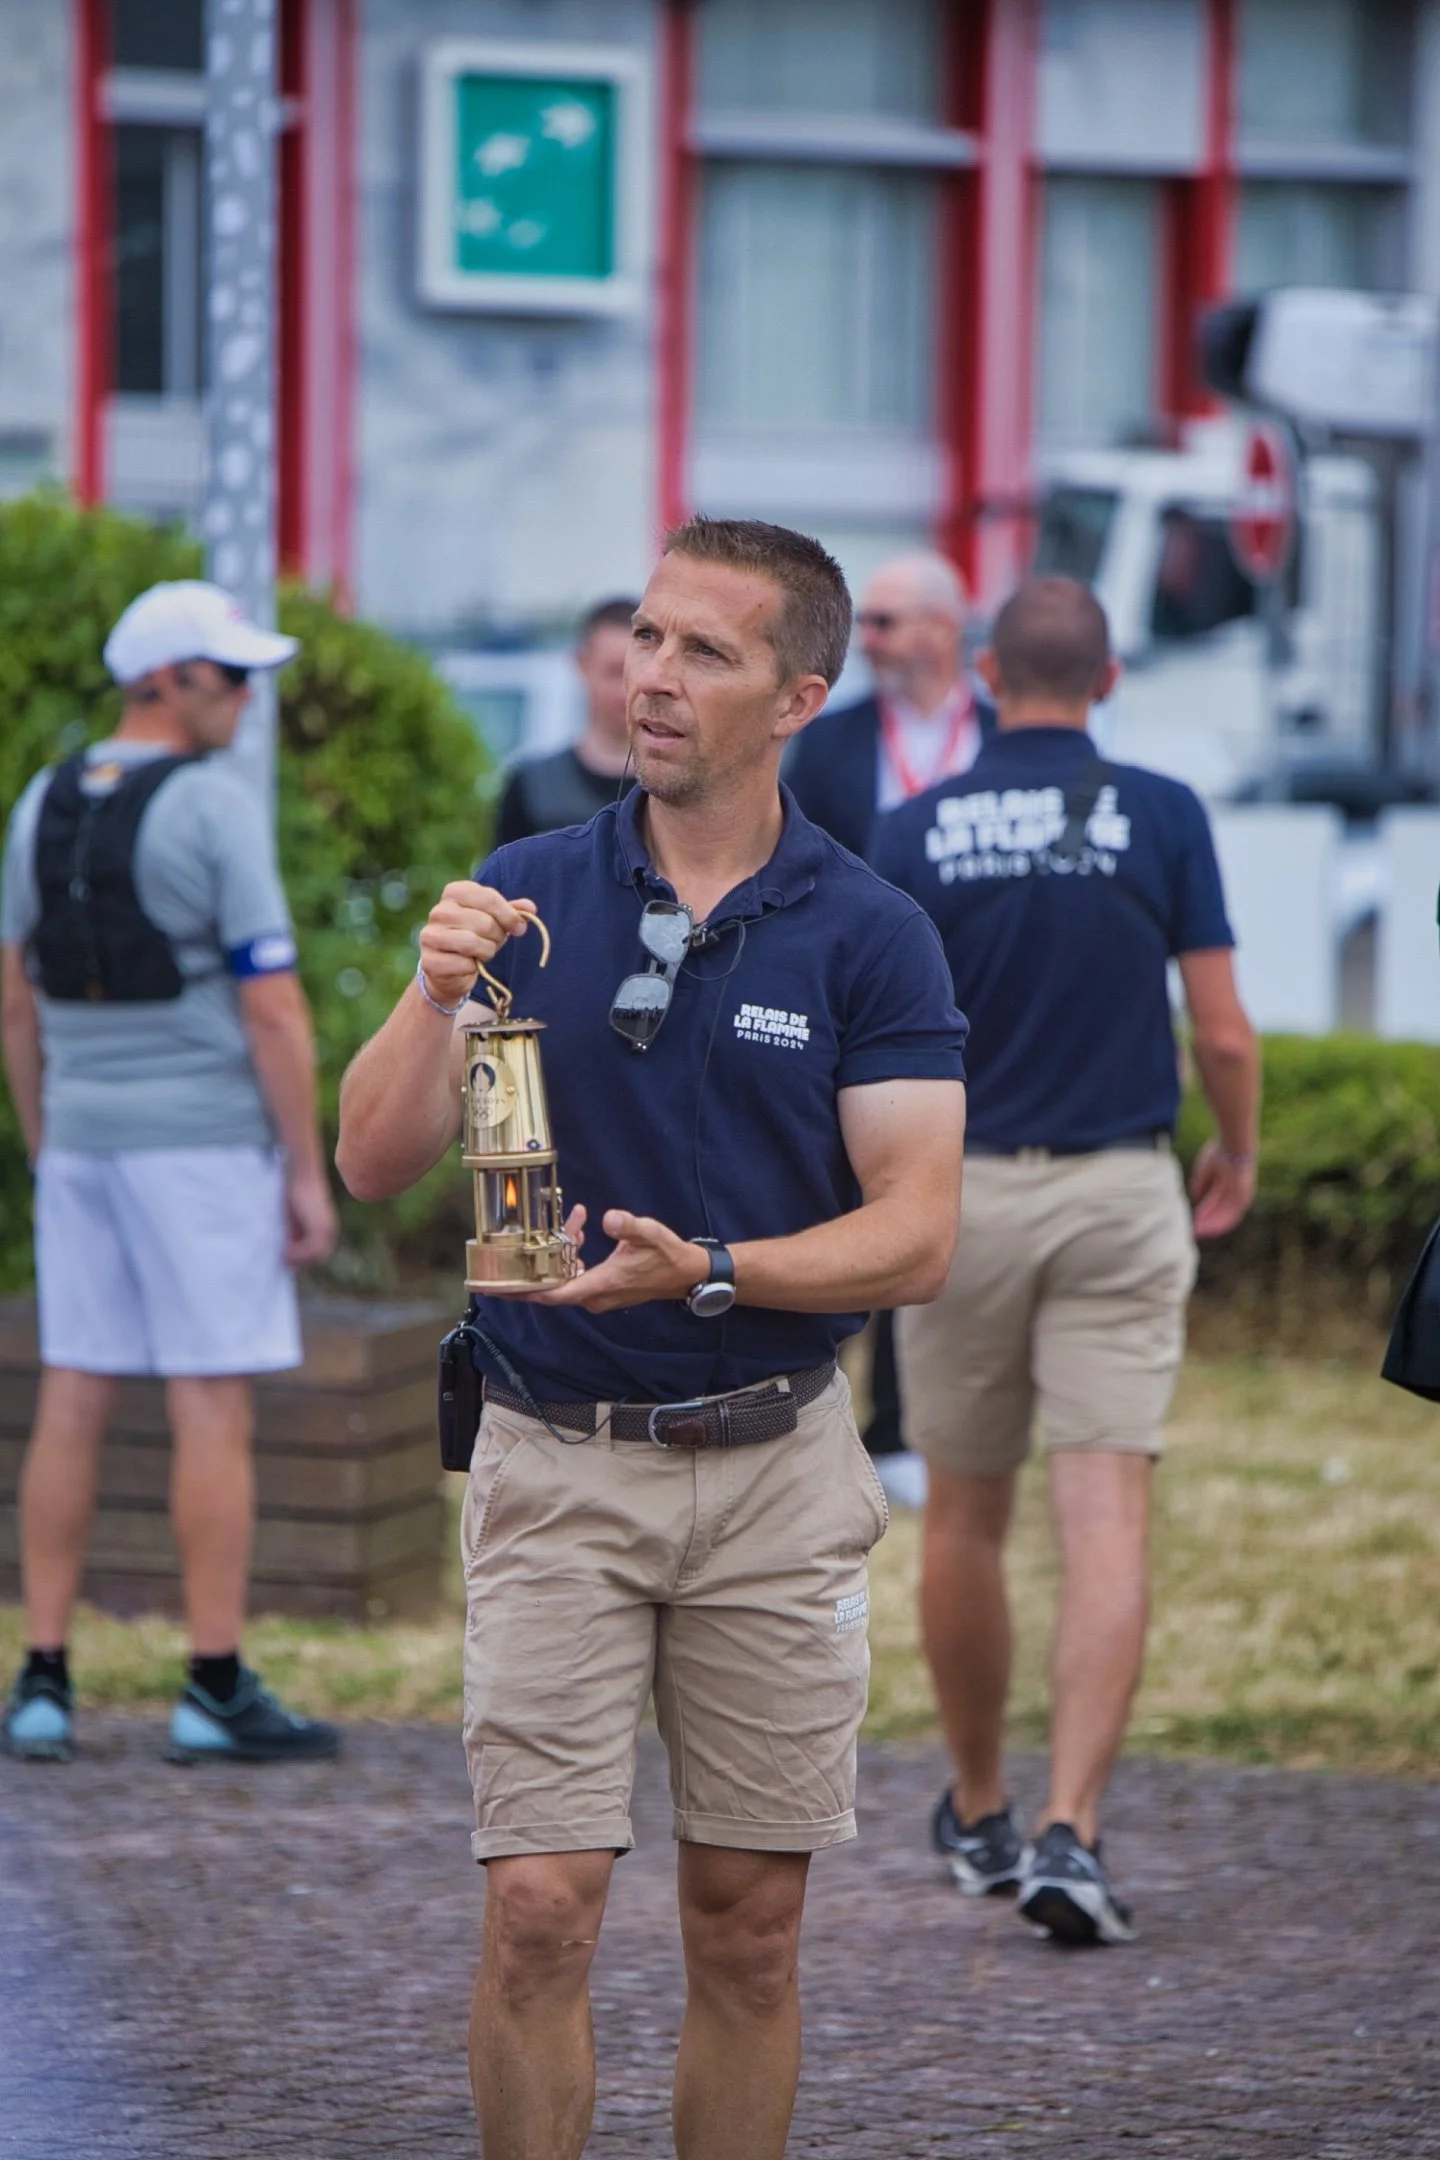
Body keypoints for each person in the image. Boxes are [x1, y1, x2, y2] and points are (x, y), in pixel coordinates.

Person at [336, 516, 967, 2160]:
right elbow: (374, 1160)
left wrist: (719, 1271)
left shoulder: (871, 930)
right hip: (554, 1455)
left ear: (800, 696)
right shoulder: (525, 896)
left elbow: (918, 1225)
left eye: (707, 650)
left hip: (775, 1466)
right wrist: (427, 997)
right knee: (540, 1911)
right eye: (645, 638)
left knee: (750, 1930)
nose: (652, 675)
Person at [871, 575, 1259, 1946]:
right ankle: (1072, 1832)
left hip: (958, 1201)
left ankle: (977, 1805)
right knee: (1105, 1519)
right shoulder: (1161, 812)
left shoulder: (914, 827)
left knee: (964, 1517)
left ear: (986, 675)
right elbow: (1220, 1031)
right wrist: (1241, 1150)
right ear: (1107, 683)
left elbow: (871, 1033)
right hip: (1116, 1188)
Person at [0, 580, 340, 1768]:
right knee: (210, 1403)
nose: (248, 699)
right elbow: (274, 1007)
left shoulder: (40, 798)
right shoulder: (208, 805)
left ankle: (42, 1681)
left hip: (84, 1144)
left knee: (75, 1395)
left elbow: (13, 1002)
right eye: (230, 676)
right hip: (201, 1150)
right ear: (170, 681)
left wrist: (51, 1144)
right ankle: (211, 1683)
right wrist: (306, 1171)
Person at [788, 550, 993, 1488]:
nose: (866, 641)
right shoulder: (827, 742)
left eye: (886, 623)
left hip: (976, 1005)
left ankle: (905, 1429)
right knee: (839, 1200)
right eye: (864, 622)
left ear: (946, 630)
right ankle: (820, 1406)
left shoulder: (998, 736)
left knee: (923, 1203)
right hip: (847, 1005)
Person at [493, 595, 641, 845]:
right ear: (582, 665)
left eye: (636, 673)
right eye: (614, 672)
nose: (624, 691)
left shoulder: (677, 788)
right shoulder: (532, 787)